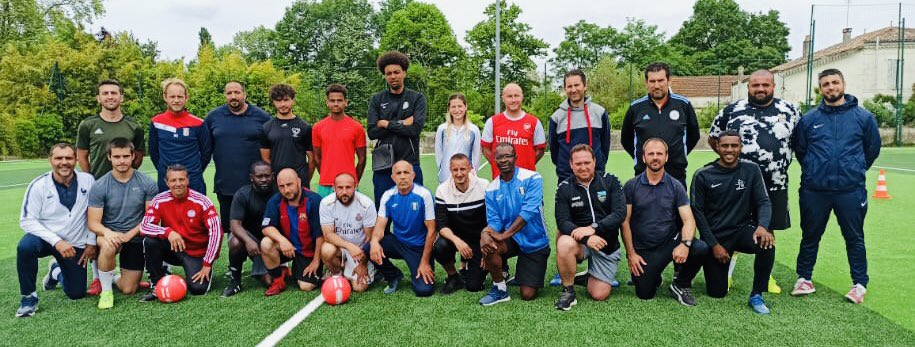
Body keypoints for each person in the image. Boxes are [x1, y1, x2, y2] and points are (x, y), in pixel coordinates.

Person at [792, 68, 881, 304]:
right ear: (820, 89)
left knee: (854, 237)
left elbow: (871, 150)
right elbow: (801, 150)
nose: (831, 87)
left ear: (843, 84)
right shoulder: (809, 119)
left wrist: (854, 170)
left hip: (850, 190)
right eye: (826, 84)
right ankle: (804, 279)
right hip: (815, 190)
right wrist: (815, 170)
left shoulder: (863, 117)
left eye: (835, 82)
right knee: (810, 235)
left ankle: (859, 284)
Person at [708, 69, 801, 294]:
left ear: (773, 86)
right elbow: (714, 138)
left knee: (767, 230)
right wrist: (730, 164)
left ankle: (765, 277)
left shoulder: (790, 111)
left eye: (765, 85)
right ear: (748, 87)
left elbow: (800, 142)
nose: (760, 89)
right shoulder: (732, 111)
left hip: (775, 183)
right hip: (739, 185)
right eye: (755, 85)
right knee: (732, 226)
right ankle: (726, 275)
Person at [678, 131, 775, 314]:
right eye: (725, 146)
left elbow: (763, 201)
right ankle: (718, 264)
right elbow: (698, 214)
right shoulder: (703, 175)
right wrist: (714, 245)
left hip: (741, 230)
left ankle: (757, 294)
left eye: (734, 146)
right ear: (717, 147)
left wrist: (762, 226)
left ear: (740, 147)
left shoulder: (751, 169)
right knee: (717, 292)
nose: (729, 150)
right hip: (716, 237)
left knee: (766, 243)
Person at [77, 79, 146, 296]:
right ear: (99, 98)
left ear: (121, 97)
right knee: (99, 231)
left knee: (129, 228)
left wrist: (126, 174)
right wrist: (92, 179)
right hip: (99, 187)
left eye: (114, 93)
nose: (110, 96)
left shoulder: (134, 126)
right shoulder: (87, 125)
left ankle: (126, 274)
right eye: (105, 93)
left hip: (127, 185)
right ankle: (98, 279)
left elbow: (138, 158)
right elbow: (82, 156)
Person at [620, 138, 707, 305]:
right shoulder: (631, 186)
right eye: (650, 154)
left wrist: (685, 244)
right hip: (644, 248)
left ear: (666, 157)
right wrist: (631, 254)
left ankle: (680, 284)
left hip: (669, 241)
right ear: (643, 157)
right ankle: (653, 275)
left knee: (700, 247)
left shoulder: (675, 186)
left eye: (659, 153)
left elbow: (688, 219)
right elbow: (625, 222)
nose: (655, 157)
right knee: (645, 293)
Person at [16, 143, 97, 317]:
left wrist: (91, 242)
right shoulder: (38, 185)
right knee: (25, 247)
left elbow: (95, 213)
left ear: (75, 159)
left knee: (76, 293)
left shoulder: (88, 180)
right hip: (45, 240)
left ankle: (55, 271)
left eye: (68, 158)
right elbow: (27, 220)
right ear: (50, 160)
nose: (64, 162)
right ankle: (29, 298)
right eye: (58, 158)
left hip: (75, 243)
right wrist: (57, 241)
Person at [87, 138, 158, 309]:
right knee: (109, 246)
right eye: (117, 157)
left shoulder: (147, 183)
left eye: (126, 156)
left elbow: (151, 218)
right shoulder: (100, 186)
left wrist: (130, 234)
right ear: (109, 158)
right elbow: (93, 223)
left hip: (134, 236)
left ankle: (111, 275)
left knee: (128, 289)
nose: (122, 161)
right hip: (109, 235)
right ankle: (106, 292)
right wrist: (109, 233)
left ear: (133, 156)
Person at [553, 144, 626, 311]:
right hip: (580, 243)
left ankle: (588, 276)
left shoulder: (611, 181)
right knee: (564, 242)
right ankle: (568, 291)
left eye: (587, 162)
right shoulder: (564, 188)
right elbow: (562, 221)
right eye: (578, 164)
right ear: (571, 165)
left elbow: (619, 213)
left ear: (594, 162)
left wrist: (594, 228)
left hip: (606, 245)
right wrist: (587, 238)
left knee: (599, 295)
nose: (583, 167)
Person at [478, 143, 551, 306]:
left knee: (528, 294)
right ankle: (500, 289)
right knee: (488, 244)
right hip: (512, 240)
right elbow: (494, 220)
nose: (504, 160)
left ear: (515, 158)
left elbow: (528, 212)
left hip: (535, 241)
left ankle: (523, 273)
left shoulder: (532, 178)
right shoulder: (491, 189)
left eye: (508, 156)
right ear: (494, 160)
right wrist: (486, 233)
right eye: (499, 157)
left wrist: (503, 235)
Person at [140, 164, 222, 301]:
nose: (178, 184)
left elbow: (216, 233)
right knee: (150, 241)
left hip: (196, 253)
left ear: (187, 180)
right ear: (167, 182)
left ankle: (195, 270)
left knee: (198, 289)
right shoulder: (159, 200)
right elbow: (144, 226)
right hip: (173, 248)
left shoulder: (202, 201)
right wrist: (167, 232)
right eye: (173, 180)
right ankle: (156, 283)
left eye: (181, 179)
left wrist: (207, 264)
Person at [205, 81, 271, 238]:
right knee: (232, 232)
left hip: (257, 187)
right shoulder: (213, 117)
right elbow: (205, 148)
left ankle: (263, 261)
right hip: (226, 186)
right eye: (229, 93)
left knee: (261, 228)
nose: (233, 96)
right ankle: (235, 263)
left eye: (237, 92)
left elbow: (271, 148)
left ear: (245, 94)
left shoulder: (262, 117)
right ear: (225, 95)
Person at [621, 62, 700, 189]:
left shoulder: (683, 105)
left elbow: (694, 136)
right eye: (652, 81)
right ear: (646, 83)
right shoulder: (635, 108)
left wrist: (676, 156)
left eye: (660, 80)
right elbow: (626, 140)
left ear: (669, 81)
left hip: (676, 175)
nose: (656, 85)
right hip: (643, 176)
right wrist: (644, 158)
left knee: (677, 209)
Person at [369, 161, 437, 297]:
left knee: (424, 290)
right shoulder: (387, 196)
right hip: (399, 243)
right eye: (398, 173)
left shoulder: (424, 195)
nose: (402, 176)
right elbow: (380, 227)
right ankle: (393, 274)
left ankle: (423, 265)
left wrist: (424, 262)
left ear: (413, 175)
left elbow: (432, 231)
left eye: (406, 172)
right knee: (368, 248)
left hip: (419, 247)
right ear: (393, 177)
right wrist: (374, 242)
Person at [367, 51, 427, 205]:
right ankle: (385, 231)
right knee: (383, 209)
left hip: (410, 161)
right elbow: (373, 132)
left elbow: (415, 130)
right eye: (388, 73)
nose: (392, 76)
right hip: (383, 164)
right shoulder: (376, 99)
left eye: (396, 72)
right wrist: (402, 123)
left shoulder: (417, 98)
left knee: (414, 209)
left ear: (404, 73)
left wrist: (386, 123)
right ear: (385, 76)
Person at [260, 169, 324, 296]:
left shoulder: (314, 201)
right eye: (281, 186)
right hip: (289, 248)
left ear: (298, 182)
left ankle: (297, 271)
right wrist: (282, 240)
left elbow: (320, 236)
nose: (286, 190)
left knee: (306, 286)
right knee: (266, 243)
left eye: (289, 185)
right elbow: (266, 227)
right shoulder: (275, 200)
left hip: (309, 252)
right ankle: (278, 281)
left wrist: (316, 261)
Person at [432, 153, 489, 294]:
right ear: (450, 170)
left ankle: (480, 268)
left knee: (473, 286)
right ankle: (453, 276)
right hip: (456, 237)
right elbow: (441, 225)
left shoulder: (484, 186)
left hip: (478, 239)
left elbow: (492, 220)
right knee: (440, 246)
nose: (459, 174)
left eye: (462, 169)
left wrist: (486, 251)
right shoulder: (442, 190)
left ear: (470, 168)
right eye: (455, 170)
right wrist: (457, 241)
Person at [222, 161, 276, 297]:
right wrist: (248, 241)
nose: (264, 179)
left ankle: (279, 269)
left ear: (273, 176)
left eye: (267, 175)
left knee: (270, 282)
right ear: (252, 177)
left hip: (270, 242)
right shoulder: (242, 194)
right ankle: (235, 281)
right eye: (259, 176)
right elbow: (234, 225)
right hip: (250, 241)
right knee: (235, 242)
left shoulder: (279, 193)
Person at [148, 78, 211, 194]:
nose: (176, 100)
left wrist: (194, 171)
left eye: (180, 96)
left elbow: (206, 153)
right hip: (166, 182)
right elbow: (153, 152)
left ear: (186, 97)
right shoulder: (156, 122)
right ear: (165, 97)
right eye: (172, 97)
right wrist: (165, 172)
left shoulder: (199, 123)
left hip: (193, 181)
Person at [549, 69, 611, 182]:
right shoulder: (556, 117)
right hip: (567, 178)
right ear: (565, 89)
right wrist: (565, 167)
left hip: (596, 177)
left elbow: (605, 144)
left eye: (577, 85)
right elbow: (554, 150)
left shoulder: (600, 112)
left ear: (585, 86)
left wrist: (598, 164)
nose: (573, 90)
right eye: (569, 86)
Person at [320, 173, 377, 293]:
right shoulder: (326, 203)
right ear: (334, 188)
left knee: (359, 288)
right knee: (326, 249)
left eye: (348, 187)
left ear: (355, 187)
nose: (344, 191)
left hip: (360, 250)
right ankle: (336, 272)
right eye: (340, 188)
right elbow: (328, 235)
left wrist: (363, 263)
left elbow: (370, 239)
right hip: (340, 248)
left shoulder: (366, 204)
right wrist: (349, 246)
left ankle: (372, 268)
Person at [312, 84, 367, 198]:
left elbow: (362, 158)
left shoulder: (356, 127)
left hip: (349, 184)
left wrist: (354, 181)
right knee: (325, 215)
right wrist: (326, 175)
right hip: (325, 184)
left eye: (339, 100)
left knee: (351, 215)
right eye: (332, 100)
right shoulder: (317, 127)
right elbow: (317, 157)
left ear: (346, 102)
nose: (336, 103)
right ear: (327, 102)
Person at [481, 83, 546, 178]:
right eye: (509, 96)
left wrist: (527, 165)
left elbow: (540, 150)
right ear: (503, 98)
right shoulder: (492, 122)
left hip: (527, 180)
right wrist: (499, 165)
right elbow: (485, 149)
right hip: (501, 179)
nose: (513, 100)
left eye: (516, 96)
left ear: (522, 97)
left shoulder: (534, 122)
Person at [260, 83, 314, 188]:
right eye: (278, 101)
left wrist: (305, 178)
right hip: (278, 182)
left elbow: (311, 158)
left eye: (286, 100)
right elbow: (265, 158)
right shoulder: (266, 127)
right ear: (273, 102)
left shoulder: (304, 127)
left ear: (292, 100)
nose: (282, 104)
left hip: (300, 181)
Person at [434, 93, 482, 183]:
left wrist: (472, 173)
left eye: (460, 106)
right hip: (446, 178)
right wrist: (442, 170)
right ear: (449, 109)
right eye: (453, 107)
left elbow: (477, 155)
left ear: (465, 107)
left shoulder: (474, 130)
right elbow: (439, 153)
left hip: (466, 178)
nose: (457, 110)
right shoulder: (442, 129)